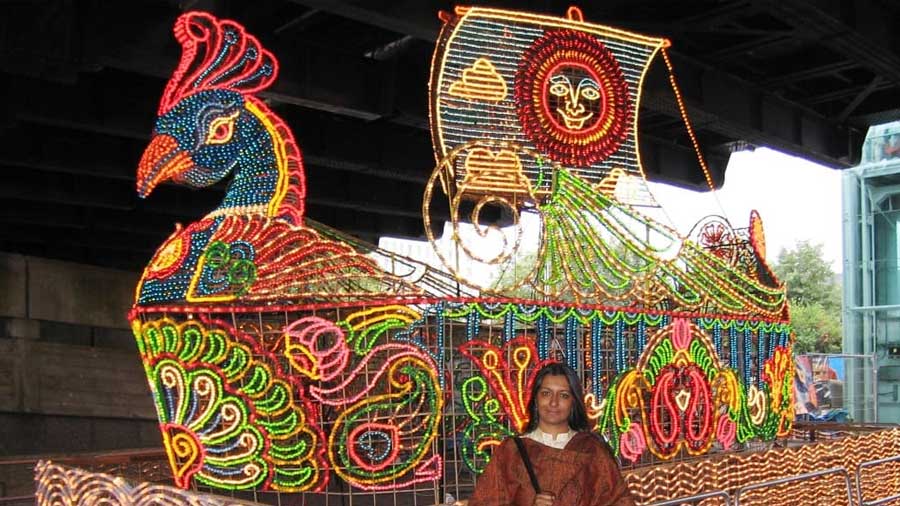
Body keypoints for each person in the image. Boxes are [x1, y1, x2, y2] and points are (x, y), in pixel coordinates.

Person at [459, 362, 635, 506]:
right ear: (535, 399)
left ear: (574, 402)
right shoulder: (511, 452)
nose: (553, 402)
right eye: (546, 393)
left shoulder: (592, 451)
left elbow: (619, 500)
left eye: (564, 395)